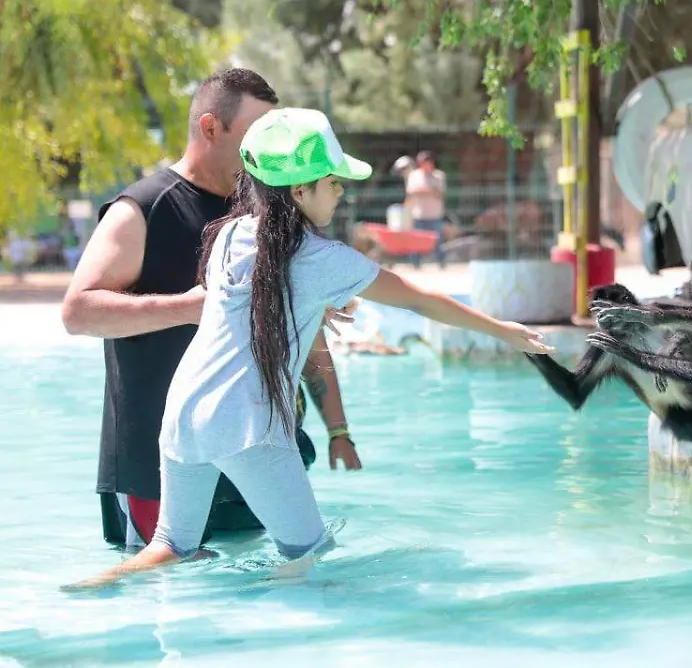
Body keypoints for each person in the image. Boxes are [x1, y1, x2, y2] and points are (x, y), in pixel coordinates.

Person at [67, 107, 553, 589]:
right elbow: (419, 298)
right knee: (310, 555)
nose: (341, 193)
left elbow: (253, 306)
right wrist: (504, 331)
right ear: (301, 191)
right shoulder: (322, 258)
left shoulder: (228, 235)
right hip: (246, 424)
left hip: (183, 411)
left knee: (171, 545)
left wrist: (313, 307)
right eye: (333, 181)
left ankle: (95, 586)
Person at [61, 68, 362, 551]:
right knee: (169, 593)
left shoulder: (269, 215)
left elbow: (302, 332)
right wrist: (188, 307)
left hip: (254, 451)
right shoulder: (142, 208)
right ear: (210, 128)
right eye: (255, 133)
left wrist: (337, 427)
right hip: (159, 467)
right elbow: (78, 311)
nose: (268, 147)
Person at [404, 150, 447, 268]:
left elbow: (439, 193)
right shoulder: (414, 175)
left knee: (438, 241)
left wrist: (423, 190)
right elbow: (412, 192)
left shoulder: (439, 175)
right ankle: (415, 265)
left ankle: (442, 264)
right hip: (419, 214)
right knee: (416, 241)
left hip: (434, 214)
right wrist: (430, 190)